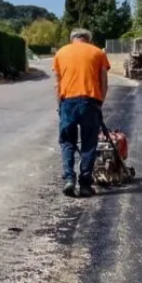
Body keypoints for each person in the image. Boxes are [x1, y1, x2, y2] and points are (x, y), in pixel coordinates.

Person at [53, 28, 110, 198]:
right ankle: (85, 185)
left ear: (72, 39)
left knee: (67, 141)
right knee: (89, 143)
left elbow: (57, 84)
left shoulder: (60, 53)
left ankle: (69, 179)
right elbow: (104, 82)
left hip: (67, 102)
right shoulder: (98, 53)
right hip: (90, 101)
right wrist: (99, 104)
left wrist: (60, 106)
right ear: (88, 39)